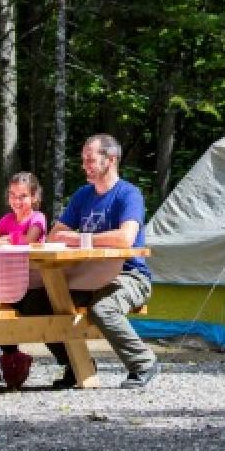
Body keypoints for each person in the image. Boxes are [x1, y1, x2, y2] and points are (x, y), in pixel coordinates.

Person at [23, 134, 158, 389]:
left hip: (129, 276)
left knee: (102, 307)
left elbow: (125, 239)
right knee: (33, 301)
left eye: (90, 160)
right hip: (85, 276)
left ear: (111, 160)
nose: (85, 165)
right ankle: (77, 364)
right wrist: (84, 239)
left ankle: (143, 362)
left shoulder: (129, 194)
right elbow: (54, 235)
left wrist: (79, 238)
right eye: (83, 160)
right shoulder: (83, 195)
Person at [0, 172, 48, 388]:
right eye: (12, 195)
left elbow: (27, 241)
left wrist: (3, 240)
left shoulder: (37, 218)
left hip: (33, 280)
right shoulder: (8, 219)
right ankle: (10, 357)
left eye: (22, 196)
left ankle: (8, 356)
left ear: (34, 197)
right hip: (7, 280)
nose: (16, 201)